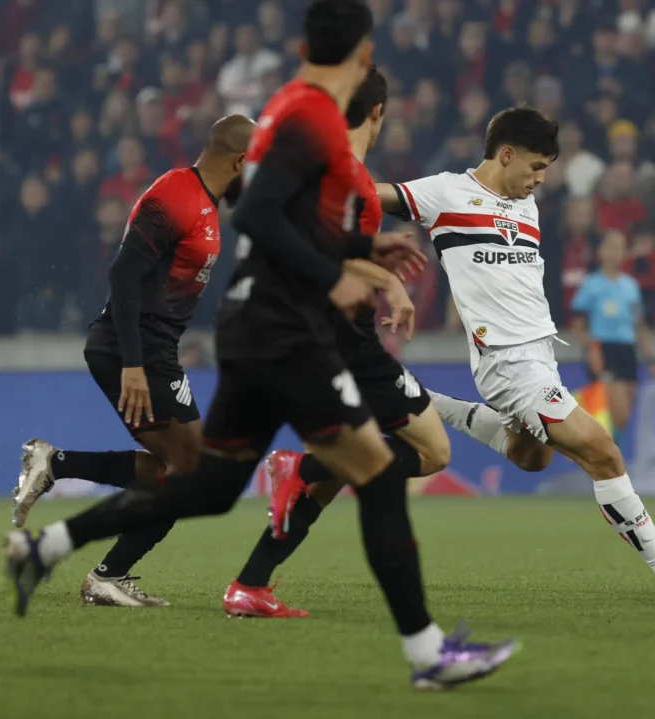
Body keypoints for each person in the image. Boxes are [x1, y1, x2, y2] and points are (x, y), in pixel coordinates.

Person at [4, 0, 517, 690]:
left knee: (207, 485)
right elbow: (260, 216)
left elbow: (285, 220)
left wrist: (363, 250)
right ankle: (427, 654)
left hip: (255, 329)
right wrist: (337, 272)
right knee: (375, 470)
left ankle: (48, 547)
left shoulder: (286, 112)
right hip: (285, 334)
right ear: (362, 55)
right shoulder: (308, 117)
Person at [301, 106, 655, 595]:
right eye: (536, 166)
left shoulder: (527, 205)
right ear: (506, 155)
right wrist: (312, 171)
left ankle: (427, 402)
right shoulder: (446, 193)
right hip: (507, 363)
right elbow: (368, 194)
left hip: (541, 356)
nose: (541, 179)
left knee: (531, 458)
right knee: (604, 453)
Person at [223, 66, 452, 619]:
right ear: (378, 112)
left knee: (337, 473)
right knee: (432, 452)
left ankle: (250, 584)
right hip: (347, 339)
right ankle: (299, 468)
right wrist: (390, 282)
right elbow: (324, 252)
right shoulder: (345, 173)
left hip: (325, 332)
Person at [11, 113, 256, 607]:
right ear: (239, 161)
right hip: (134, 350)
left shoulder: (206, 205)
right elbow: (123, 273)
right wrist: (134, 363)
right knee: (193, 474)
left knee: (181, 470)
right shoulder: (176, 193)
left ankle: (55, 464)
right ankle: (106, 573)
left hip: (153, 349)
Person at [570, 229, 655, 441]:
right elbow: (577, 325)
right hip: (603, 350)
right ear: (601, 251)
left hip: (627, 350)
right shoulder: (591, 284)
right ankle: (602, 450)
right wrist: (591, 349)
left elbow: (639, 324)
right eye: (610, 247)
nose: (615, 252)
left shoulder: (631, 286)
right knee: (619, 412)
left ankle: (604, 451)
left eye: (620, 248)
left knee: (624, 417)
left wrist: (649, 358)